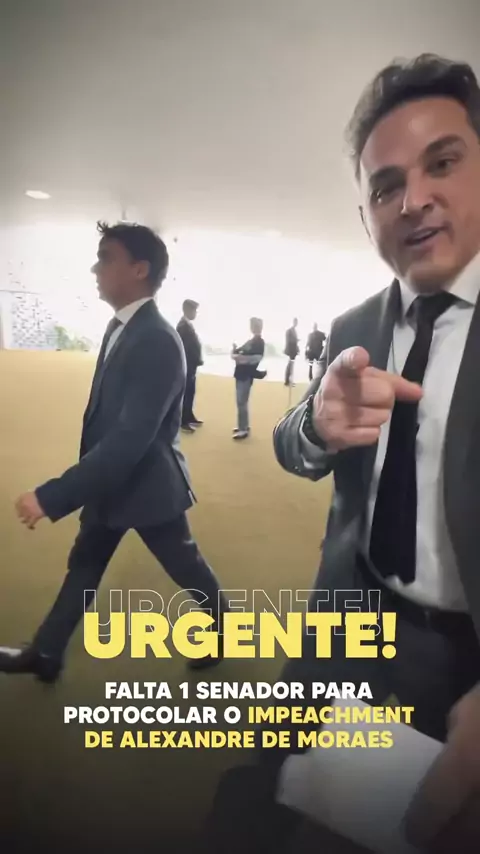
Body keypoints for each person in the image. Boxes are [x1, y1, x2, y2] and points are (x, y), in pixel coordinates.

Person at [206, 53, 480, 851]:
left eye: (442, 163)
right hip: (345, 620)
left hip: (462, 665)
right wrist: (315, 429)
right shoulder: (356, 325)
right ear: (367, 219)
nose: (413, 199)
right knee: (260, 797)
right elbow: (292, 444)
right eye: (386, 187)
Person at [0, 221, 226, 683]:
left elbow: (130, 438)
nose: (95, 268)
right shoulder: (121, 326)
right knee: (84, 566)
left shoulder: (158, 339)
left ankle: (224, 628)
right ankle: (46, 653)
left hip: (148, 486)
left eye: (106, 258)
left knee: (186, 566)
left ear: (139, 269)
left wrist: (52, 495)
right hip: (107, 482)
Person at [231, 317, 265, 440]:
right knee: (241, 402)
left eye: (255, 325)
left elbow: (256, 358)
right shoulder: (250, 341)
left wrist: (240, 358)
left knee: (242, 401)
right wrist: (236, 353)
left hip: (246, 374)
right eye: (252, 325)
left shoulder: (259, 342)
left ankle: (243, 429)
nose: (253, 327)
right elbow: (237, 352)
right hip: (240, 373)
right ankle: (243, 425)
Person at [176, 298, 204, 433]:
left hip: (191, 365)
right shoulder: (182, 326)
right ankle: (183, 421)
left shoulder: (187, 325)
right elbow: (184, 348)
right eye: (194, 310)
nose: (195, 313)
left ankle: (189, 415)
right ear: (187, 310)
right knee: (186, 393)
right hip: (187, 365)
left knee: (190, 391)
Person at [284, 317, 299, 386]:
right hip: (291, 351)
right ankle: (287, 381)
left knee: (290, 365)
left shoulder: (293, 331)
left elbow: (293, 341)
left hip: (293, 351)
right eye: (296, 322)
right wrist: (296, 340)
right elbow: (289, 341)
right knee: (290, 365)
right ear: (294, 322)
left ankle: (289, 380)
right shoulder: (289, 331)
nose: (296, 323)